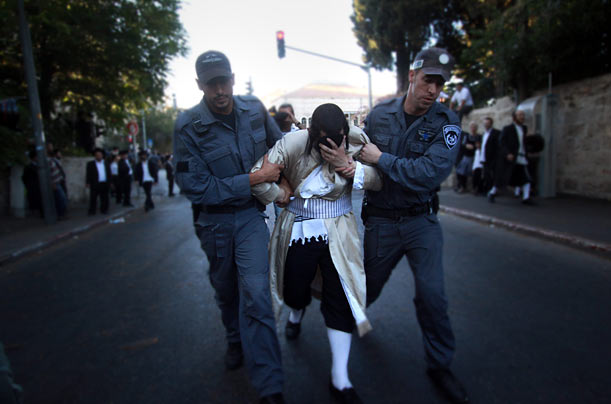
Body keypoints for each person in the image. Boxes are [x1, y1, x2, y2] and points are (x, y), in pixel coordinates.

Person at [173, 50, 286, 404]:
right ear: (199, 85)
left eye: (223, 81)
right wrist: (256, 178)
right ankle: (234, 339)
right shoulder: (188, 125)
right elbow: (196, 187)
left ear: (233, 78)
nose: (219, 90)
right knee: (226, 291)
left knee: (257, 295)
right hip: (214, 224)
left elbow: (279, 148)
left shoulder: (254, 109)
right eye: (211, 84)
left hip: (251, 218)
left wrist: (289, 184)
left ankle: (270, 386)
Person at [358, 47, 469, 404]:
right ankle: (343, 332)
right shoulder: (378, 116)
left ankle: (439, 365)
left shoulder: (447, 122)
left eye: (440, 83)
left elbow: (429, 174)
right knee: (365, 289)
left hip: (421, 220)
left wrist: (382, 159)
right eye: (428, 80)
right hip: (381, 221)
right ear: (411, 76)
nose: (433, 90)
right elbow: (361, 164)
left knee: (432, 296)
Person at [251, 104, 382, 404]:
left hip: (340, 230)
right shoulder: (292, 142)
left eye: (338, 138)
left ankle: (340, 379)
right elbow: (258, 177)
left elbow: (379, 178)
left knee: (340, 297)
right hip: (298, 227)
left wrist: (351, 168)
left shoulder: (356, 138)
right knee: (294, 291)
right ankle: (297, 312)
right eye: (324, 139)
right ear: (311, 133)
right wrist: (280, 195)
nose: (332, 145)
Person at [487, 109, 534, 205]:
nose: (522, 117)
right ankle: (492, 193)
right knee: (502, 178)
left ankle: (526, 198)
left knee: (526, 178)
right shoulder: (508, 129)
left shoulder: (524, 128)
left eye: (523, 115)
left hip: (521, 157)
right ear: (514, 117)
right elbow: (502, 142)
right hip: (510, 158)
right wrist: (507, 153)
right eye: (520, 115)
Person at [454, 122, 479, 193]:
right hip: (466, 156)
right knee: (461, 172)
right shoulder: (467, 135)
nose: (473, 129)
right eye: (472, 127)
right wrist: (466, 146)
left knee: (474, 173)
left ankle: (474, 188)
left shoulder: (478, 136)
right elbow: (463, 144)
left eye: (474, 127)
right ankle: (462, 186)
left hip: (474, 157)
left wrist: (475, 147)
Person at [86, 147, 111, 216]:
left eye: (100, 155)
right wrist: (87, 182)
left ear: (102, 155)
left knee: (104, 198)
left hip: (104, 183)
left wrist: (110, 182)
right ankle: (92, 211)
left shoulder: (106, 163)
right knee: (93, 198)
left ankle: (104, 210)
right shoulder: (90, 164)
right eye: (97, 155)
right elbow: (88, 174)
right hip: (95, 183)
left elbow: (109, 173)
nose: (98, 156)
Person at [480, 117, 501, 193]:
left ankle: (493, 190)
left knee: (493, 175)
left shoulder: (496, 133)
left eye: (488, 123)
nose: (486, 125)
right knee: (486, 175)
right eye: (485, 123)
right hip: (484, 158)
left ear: (491, 124)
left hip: (492, 158)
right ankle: (488, 190)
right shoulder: (484, 134)